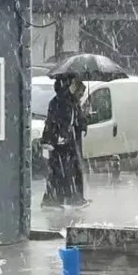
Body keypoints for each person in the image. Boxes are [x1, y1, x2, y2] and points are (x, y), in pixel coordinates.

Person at [42, 75, 88, 207]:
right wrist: (52, 138)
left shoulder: (73, 103)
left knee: (72, 171)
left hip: (70, 143)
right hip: (61, 144)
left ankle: (73, 198)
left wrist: (84, 121)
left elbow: (78, 121)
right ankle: (57, 200)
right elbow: (52, 121)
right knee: (61, 172)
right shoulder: (59, 102)